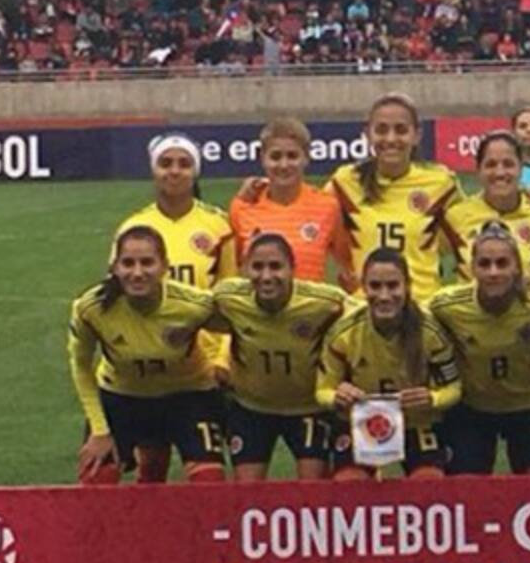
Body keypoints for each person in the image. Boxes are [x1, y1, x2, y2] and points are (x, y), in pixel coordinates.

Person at [113, 133, 235, 482]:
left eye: (183, 164)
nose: (174, 171)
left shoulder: (218, 225)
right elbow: (117, 297)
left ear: (195, 172)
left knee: (207, 476)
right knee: (151, 468)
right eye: (166, 164)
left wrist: (222, 359)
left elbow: (232, 301)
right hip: (147, 366)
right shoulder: (134, 227)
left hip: (201, 370)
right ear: (154, 170)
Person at [69, 226, 227, 485]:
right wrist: (100, 431)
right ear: (115, 267)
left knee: (209, 482)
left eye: (147, 263)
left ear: (165, 266)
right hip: (122, 398)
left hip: (189, 396)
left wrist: (226, 362)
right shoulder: (91, 308)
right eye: (128, 263)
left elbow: (243, 328)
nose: (137, 272)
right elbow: (81, 366)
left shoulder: (194, 306)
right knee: (97, 477)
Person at [212, 234, 354, 481]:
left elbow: (366, 318)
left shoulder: (324, 302)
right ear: (244, 268)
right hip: (251, 407)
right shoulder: (228, 298)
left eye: (276, 266)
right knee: (247, 494)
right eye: (257, 267)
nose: (266, 276)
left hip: (308, 406)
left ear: (292, 269)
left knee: (311, 491)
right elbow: (191, 309)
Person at [430, 222, 530, 476]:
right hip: (472, 409)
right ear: (472, 269)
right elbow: (413, 323)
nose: (493, 272)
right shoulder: (447, 306)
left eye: (502, 263)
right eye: (484, 264)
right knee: (465, 491)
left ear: (517, 268)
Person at [316, 248, 461, 480]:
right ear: (363, 287)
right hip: (363, 422)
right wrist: (337, 396)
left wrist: (433, 399)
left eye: (393, 286)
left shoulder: (430, 332)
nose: (384, 296)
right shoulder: (343, 333)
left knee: (429, 482)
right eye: (375, 286)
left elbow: (454, 389)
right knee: (349, 483)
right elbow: (322, 390)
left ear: (407, 286)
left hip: (416, 423)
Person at [326, 93, 461, 301]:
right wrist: (263, 189)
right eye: (381, 130)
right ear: (368, 134)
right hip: (365, 308)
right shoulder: (345, 181)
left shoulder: (441, 183)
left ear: (416, 135)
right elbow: (310, 215)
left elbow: (472, 227)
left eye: (401, 130)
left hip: (422, 308)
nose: (390, 139)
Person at [442, 131, 530, 281]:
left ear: (521, 168)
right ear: (478, 170)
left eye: (508, 164)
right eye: (490, 165)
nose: (500, 172)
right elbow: (422, 254)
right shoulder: (455, 218)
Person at [228, 117, 354, 286]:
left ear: (307, 158)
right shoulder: (242, 207)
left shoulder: (327, 207)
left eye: (292, 156)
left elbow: (347, 265)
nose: (284, 165)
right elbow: (229, 271)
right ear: (262, 158)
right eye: (275, 156)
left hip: (309, 311)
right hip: (260, 309)